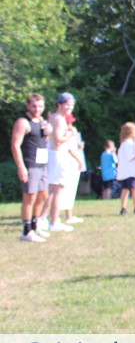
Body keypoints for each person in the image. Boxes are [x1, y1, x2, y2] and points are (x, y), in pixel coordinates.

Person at [10, 93, 52, 243]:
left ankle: (35, 226)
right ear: (28, 106)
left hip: (42, 164)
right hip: (30, 164)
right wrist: (21, 167)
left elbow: (43, 141)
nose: (37, 109)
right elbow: (15, 145)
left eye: (40, 106)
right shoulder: (23, 122)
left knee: (43, 196)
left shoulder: (41, 121)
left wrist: (48, 132)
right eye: (34, 106)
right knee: (30, 197)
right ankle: (26, 231)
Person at [42, 93, 83, 233]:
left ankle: (43, 218)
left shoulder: (54, 117)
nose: (70, 107)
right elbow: (59, 140)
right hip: (58, 155)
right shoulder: (59, 119)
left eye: (72, 105)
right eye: (67, 104)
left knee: (54, 190)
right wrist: (71, 134)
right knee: (58, 190)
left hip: (55, 155)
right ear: (59, 104)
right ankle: (54, 222)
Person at [116, 122, 135, 215]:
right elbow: (130, 157)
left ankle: (123, 208)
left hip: (124, 171)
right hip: (131, 171)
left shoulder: (122, 144)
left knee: (125, 189)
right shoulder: (129, 144)